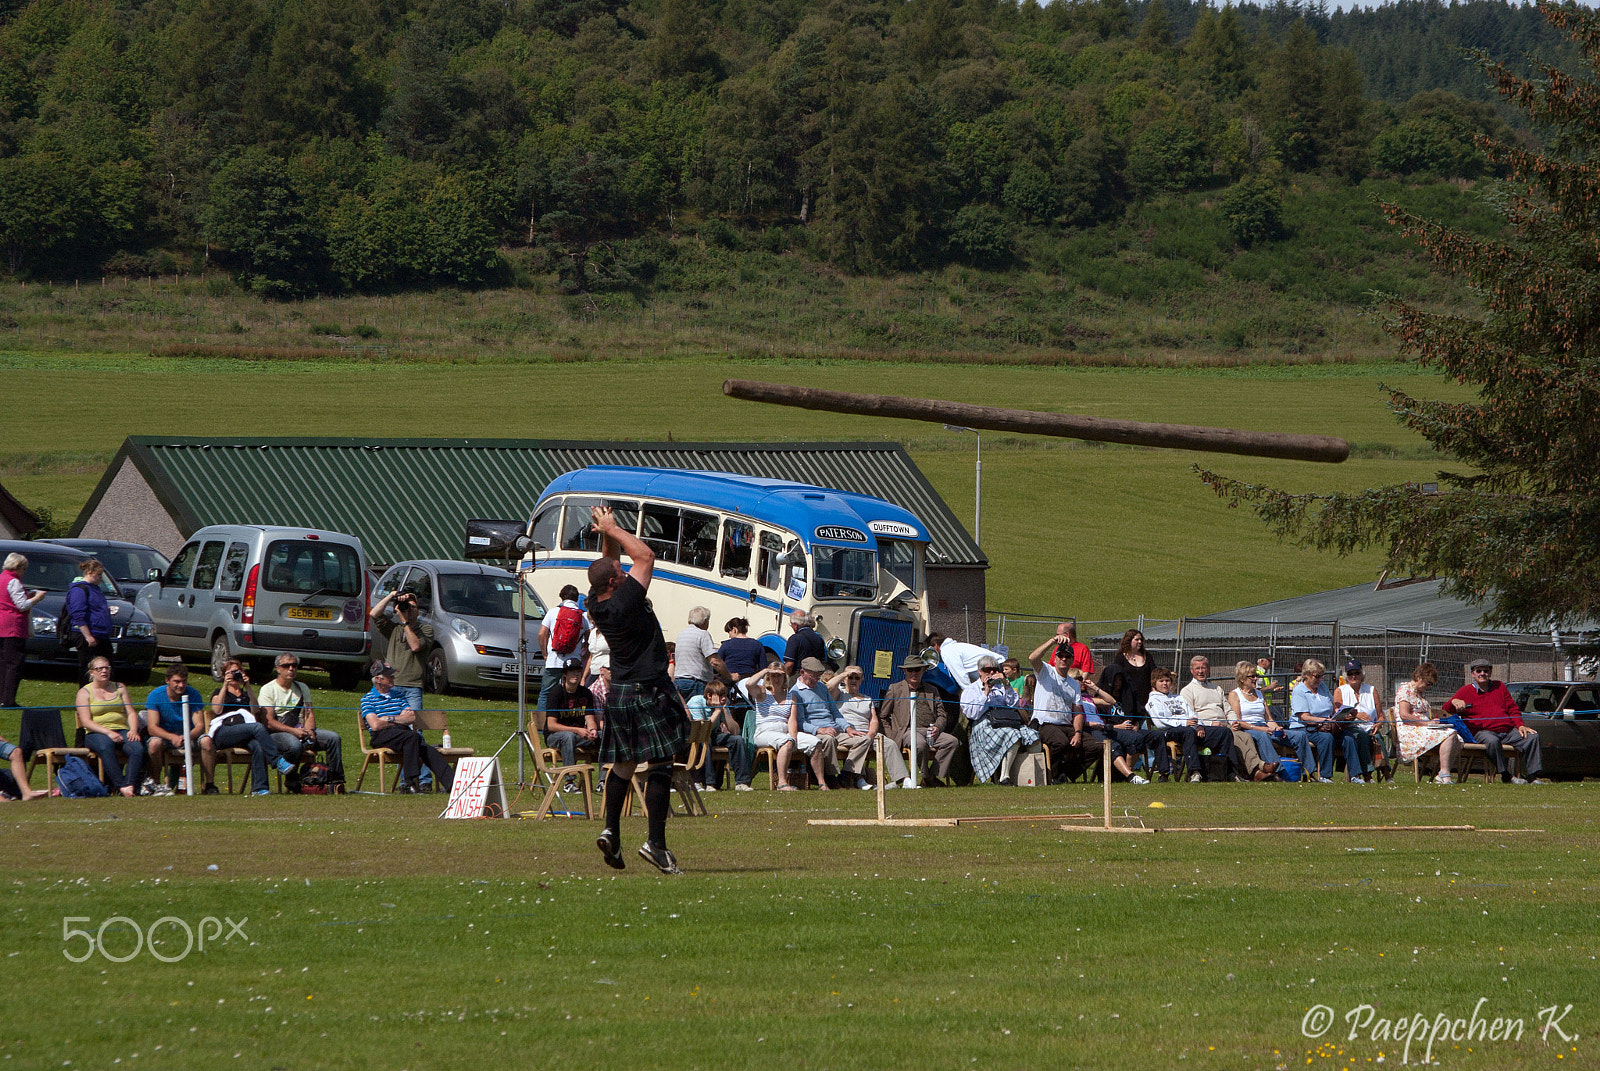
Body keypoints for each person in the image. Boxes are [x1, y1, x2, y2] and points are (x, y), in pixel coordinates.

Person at [586, 505, 688, 874]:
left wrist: (606, 535)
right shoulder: (626, 600)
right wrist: (614, 528)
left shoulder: (596, 601)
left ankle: (611, 830)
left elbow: (608, 565)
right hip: (648, 690)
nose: (624, 569)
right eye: (620, 572)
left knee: (625, 764)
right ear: (615, 583)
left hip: (622, 693)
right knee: (660, 764)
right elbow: (645, 555)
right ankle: (656, 844)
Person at [201, 658, 294, 796]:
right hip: (223, 732)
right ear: (224, 675)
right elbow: (217, 709)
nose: (234, 675)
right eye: (230, 672)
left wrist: (248, 686)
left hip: (244, 733)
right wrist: (224, 686)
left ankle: (259, 788)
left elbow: (255, 710)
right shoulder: (219, 692)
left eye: (236, 672)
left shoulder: (245, 695)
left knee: (258, 745)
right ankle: (277, 761)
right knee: (256, 727)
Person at [1443, 658, 1544, 783]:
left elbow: (1513, 708)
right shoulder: (1465, 691)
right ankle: (1506, 775)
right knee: (1492, 741)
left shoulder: (1500, 686)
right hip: (1482, 732)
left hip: (1507, 731)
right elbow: (1446, 709)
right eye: (1478, 671)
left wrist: (1520, 725)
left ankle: (1532, 776)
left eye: (1485, 671)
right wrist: (1454, 701)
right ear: (1472, 674)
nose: (1482, 673)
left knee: (1532, 737)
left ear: (1490, 673)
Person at [360, 660, 453, 795]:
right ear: (379, 680)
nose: (393, 678)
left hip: (403, 734)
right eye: (389, 676)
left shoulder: (399, 695)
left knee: (428, 750)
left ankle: (452, 784)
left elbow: (411, 717)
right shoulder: (367, 699)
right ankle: (410, 782)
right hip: (382, 736)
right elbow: (375, 725)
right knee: (414, 737)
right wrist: (398, 720)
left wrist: (389, 718)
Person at [256, 653, 344, 789]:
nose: (291, 669)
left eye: (294, 665)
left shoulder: (302, 687)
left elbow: (309, 713)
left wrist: (310, 731)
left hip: (301, 729)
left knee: (333, 738)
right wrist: (294, 732)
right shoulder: (268, 689)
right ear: (278, 668)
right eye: (286, 666)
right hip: (276, 734)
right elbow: (268, 722)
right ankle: (291, 779)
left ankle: (335, 780)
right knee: (294, 745)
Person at [878, 656, 959, 787]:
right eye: (910, 670)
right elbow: (883, 716)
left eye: (917, 670)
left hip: (930, 730)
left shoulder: (932, 689)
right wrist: (892, 736)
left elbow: (942, 714)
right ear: (905, 672)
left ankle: (932, 775)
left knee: (952, 742)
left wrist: (938, 727)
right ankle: (926, 777)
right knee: (919, 744)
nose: (914, 673)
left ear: (923, 671)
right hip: (907, 731)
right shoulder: (895, 689)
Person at [824, 665, 909, 789]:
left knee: (889, 744)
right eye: (850, 677)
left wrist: (871, 733)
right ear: (845, 680)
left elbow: (873, 719)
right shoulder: (840, 695)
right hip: (845, 733)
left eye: (857, 678)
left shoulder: (867, 698)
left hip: (867, 734)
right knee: (863, 740)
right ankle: (848, 776)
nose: (853, 680)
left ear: (861, 680)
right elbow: (829, 686)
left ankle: (903, 779)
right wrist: (844, 674)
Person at [1286, 659, 1370, 784]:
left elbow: (1332, 707)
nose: (1320, 679)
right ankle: (1325, 776)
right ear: (1307, 675)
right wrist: (1324, 720)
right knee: (1326, 738)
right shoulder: (1299, 691)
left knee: (1348, 738)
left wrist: (1344, 713)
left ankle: (1355, 776)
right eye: (1317, 676)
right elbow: (1304, 717)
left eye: (1322, 676)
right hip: (1305, 728)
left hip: (1327, 726)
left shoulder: (1322, 687)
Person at [1068, 667, 1155, 784]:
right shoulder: (1069, 699)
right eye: (1078, 678)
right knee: (1112, 745)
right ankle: (1131, 776)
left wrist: (1095, 688)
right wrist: (1089, 723)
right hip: (1089, 729)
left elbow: (1111, 701)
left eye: (1081, 678)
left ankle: (1127, 774)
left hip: (1103, 727)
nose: (1082, 680)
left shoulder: (1088, 698)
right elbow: (1070, 718)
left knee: (1136, 738)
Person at [963, 654, 1039, 784]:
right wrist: (985, 692)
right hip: (985, 725)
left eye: (995, 670)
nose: (991, 673)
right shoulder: (971, 690)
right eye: (987, 670)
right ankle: (1004, 777)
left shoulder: (1001, 687)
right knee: (1013, 735)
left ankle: (1029, 776)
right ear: (980, 672)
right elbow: (973, 714)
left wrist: (1006, 685)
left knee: (1033, 736)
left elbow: (1013, 704)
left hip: (1006, 721)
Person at [1146, 667, 1230, 783]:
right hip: (1170, 732)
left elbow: (1192, 714)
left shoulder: (1178, 698)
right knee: (1188, 732)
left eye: (1167, 680)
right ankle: (1194, 772)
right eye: (1161, 681)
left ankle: (1228, 771)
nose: (1165, 683)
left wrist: (1199, 726)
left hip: (1191, 729)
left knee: (1223, 732)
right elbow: (1161, 722)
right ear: (1154, 683)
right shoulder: (1153, 701)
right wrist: (1185, 723)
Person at [74, 655, 140, 797]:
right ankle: (120, 786)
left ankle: (129, 785)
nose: (104, 671)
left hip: (122, 729)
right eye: (99, 669)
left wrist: (133, 730)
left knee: (137, 748)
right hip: (95, 733)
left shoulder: (120, 687)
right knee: (105, 746)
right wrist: (108, 732)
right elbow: (86, 721)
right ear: (92, 672)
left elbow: (131, 713)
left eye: (107, 668)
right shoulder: (84, 692)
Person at [742, 662, 815, 792]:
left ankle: (822, 783)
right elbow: (748, 684)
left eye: (779, 676)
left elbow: (792, 720)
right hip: (765, 732)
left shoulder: (790, 696)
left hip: (785, 731)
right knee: (786, 742)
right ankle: (782, 783)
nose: (776, 679)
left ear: (785, 677)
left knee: (815, 742)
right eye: (773, 676)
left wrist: (794, 738)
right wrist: (766, 670)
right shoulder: (762, 692)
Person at [1180, 656, 1251, 781]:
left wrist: (1234, 721)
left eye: (1203, 668)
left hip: (1224, 726)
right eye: (1197, 668)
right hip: (1203, 729)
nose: (1201, 671)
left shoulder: (1217, 689)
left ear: (1208, 669)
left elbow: (1228, 710)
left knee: (1247, 737)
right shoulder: (1187, 691)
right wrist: (1210, 723)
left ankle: (1253, 772)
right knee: (1228, 734)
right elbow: (1190, 714)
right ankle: (1232, 772)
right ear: (1191, 670)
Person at [1393, 662, 1463, 784]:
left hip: (1424, 728)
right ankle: (1445, 774)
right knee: (1450, 734)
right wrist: (1426, 723)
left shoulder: (1421, 693)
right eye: (1428, 682)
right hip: (1410, 730)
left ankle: (1442, 772)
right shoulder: (1405, 690)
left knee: (1457, 738)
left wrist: (1432, 722)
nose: (1429, 686)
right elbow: (1404, 715)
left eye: (1431, 684)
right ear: (1419, 677)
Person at [140, 663, 205, 795]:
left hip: (188, 736)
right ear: (167, 680)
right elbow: (152, 728)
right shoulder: (156, 695)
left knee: (207, 742)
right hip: (165, 736)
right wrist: (172, 737)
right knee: (154, 744)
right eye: (177, 681)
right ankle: (156, 783)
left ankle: (208, 785)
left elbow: (200, 726)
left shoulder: (193, 695)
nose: (181, 685)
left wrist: (185, 737)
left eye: (184, 681)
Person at [1027, 633, 1082, 783]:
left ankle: (1068, 773)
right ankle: (1055, 776)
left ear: (1071, 660)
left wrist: (1078, 733)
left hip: (1066, 725)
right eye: (1060, 656)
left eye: (1067, 656)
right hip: (1044, 724)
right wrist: (1052, 641)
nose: (1063, 659)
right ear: (1056, 658)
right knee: (1061, 742)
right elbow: (1032, 658)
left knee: (1094, 746)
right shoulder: (1045, 671)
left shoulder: (1074, 684)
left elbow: (1077, 711)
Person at [369, 588, 434, 715]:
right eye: (406, 607)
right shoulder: (394, 629)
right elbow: (374, 614)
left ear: (418, 611)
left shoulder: (426, 630)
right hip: (390, 684)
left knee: (414, 726)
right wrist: (392, 595)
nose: (409, 610)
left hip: (413, 687)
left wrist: (405, 622)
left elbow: (415, 646)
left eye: (413, 607)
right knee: (389, 721)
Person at [787, 657, 847, 788]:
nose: (816, 680)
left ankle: (851, 775)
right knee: (829, 739)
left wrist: (848, 728)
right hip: (814, 731)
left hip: (834, 728)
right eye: (813, 676)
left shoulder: (821, 687)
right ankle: (831, 777)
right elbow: (800, 722)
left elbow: (834, 711)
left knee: (862, 740)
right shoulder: (795, 692)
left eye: (818, 676)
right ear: (802, 673)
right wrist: (820, 730)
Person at [685, 679, 754, 791]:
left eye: (725, 695)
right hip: (696, 736)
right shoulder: (696, 702)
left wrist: (725, 712)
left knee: (738, 740)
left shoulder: (723, 704)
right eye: (721, 695)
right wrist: (717, 711)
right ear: (709, 695)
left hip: (712, 734)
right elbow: (702, 731)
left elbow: (735, 731)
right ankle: (709, 783)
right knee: (705, 742)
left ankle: (742, 782)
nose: (724, 698)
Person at [1, 552, 46, 708]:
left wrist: (27, 595)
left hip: (1, 626)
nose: (24, 572)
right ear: (18, 567)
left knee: (3, 663)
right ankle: (8, 700)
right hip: (13, 627)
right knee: (14, 664)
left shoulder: (2, 578)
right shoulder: (13, 581)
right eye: (24, 569)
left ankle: (2, 697)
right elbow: (22, 605)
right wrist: (36, 598)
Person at [537, 584, 589, 718]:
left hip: (554, 660)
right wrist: (583, 650)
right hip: (573, 662)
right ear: (577, 599)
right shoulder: (582, 617)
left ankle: (542, 725)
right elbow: (588, 638)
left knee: (546, 693)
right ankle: (566, 721)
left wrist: (545, 654)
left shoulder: (553, 612)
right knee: (570, 694)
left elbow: (542, 634)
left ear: (562, 597)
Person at [543, 656, 600, 778]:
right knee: (568, 736)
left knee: (605, 734)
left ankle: (604, 780)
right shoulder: (556, 693)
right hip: (555, 737)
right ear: (565, 674)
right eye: (572, 671)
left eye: (579, 671)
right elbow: (551, 725)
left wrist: (593, 730)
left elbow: (590, 719)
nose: (576, 674)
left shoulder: (586, 693)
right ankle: (569, 781)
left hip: (578, 736)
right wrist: (577, 730)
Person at [1225, 661, 1282, 781]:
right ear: (1242, 679)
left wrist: (1277, 728)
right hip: (1249, 728)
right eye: (1252, 676)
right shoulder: (1235, 695)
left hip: (1264, 726)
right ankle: (1280, 772)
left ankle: (1312, 774)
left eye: (1257, 676)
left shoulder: (1260, 693)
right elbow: (1238, 721)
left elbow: (1269, 719)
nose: (1256, 678)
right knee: (1262, 736)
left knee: (1299, 736)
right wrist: (1260, 729)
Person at [1336, 659, 1390, 781]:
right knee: (1362, 737)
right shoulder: (1340, 691)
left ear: (1362, 674)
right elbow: (1338, 714)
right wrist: (1355, 715)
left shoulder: (1371, 690)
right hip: (1350, 726)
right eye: (1350, 674)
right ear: (1346, 676)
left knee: (1377, 737)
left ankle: (1386, 772)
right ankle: (1367, 774)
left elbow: (1381, 715)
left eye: (1356, 673)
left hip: (1369, 725)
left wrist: (1379, 724)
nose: (1353, 676)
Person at [65, 558, 114, 684]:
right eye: (98, 575)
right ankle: (85, 696)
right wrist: (88, 636)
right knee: (88, 668)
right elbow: (78, 614)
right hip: (87, 634)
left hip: (101, 633)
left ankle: (103, 693)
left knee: (107, 664)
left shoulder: (96, 589)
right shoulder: (79, 590)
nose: (100, 578)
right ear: (90, 573)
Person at [1099, 629, 1152, 731]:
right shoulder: (1121, 657)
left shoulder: (1147, 656)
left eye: (1141, 639)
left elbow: (1154, 674)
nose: (1140, 642)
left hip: (1145, 695)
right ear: (1129, 640)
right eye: (1137, 639)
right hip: (1128, 696)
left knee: (1145, 727)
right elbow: (1115, 674)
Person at [672, 606, 726, 702]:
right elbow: (714, 661)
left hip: (679, 681)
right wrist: (729, 675)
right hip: (696, 683)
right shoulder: (703, 634)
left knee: (685, 713)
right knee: (698, 714)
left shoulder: (681, 635)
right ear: (705, 621)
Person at [930, 631, 995, 690]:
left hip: (992, 666)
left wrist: (969, 692)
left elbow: (961, 675)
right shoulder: (953, 647)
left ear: (935, 645)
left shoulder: (946, 651)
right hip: (992, 665)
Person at [716, 618, 766, 685]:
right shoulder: (757, 645)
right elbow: (763, 668)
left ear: (734, 630)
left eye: (729, 632)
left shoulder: (726, 645)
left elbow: (717, 663)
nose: (729, 636)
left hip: (729, 682)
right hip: (749, 682)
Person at [782, 610, 826, 677]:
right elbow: (822, 661)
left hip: (799, 677)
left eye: (791, 624)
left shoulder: (795, 638)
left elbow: (789, 665)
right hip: (814, 678)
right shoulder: (819, 638)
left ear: (796, 625)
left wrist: (784, 679)